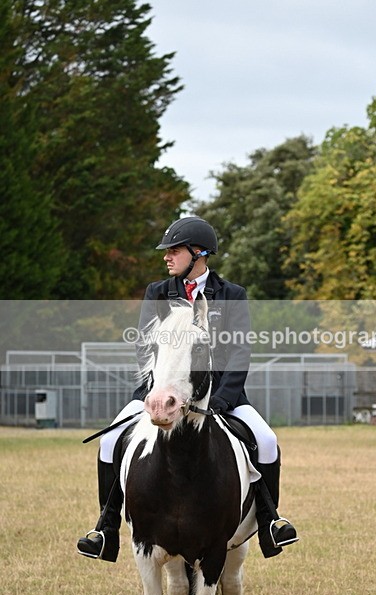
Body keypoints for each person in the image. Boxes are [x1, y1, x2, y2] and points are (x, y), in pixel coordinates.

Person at [77, 216, 298, 562]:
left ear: (200, 253)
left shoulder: (232, 295)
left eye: (175, 251)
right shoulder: (158, 293)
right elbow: (144, 348)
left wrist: (223, 399)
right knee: (109, 441)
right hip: (160, 394)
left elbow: (239, 352)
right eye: (167, 252)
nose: (167, 257)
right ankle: (106, 527)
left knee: (266, 441)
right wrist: (156, 391)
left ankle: (270, 521)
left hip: (222, 397)